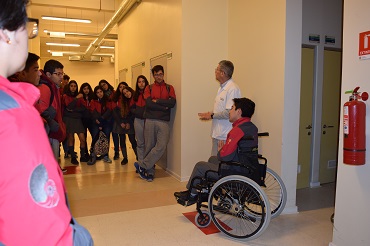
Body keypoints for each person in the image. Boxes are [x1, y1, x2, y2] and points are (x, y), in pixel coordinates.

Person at [0, 0, 93, 244]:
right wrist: (81, 239)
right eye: (26, 26)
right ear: (7, 34)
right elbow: (42, 223)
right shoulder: (13, 115)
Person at [175, 98, 258, 205]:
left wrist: (221, 150)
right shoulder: (251, 127)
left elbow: (225, 157)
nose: (229, 111)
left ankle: (191, 195)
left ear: (239, 112)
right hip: (247, 167)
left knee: (200, 166)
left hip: (235, 171)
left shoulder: (237, 131)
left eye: (232, 108)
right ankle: (217, 194)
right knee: (212, 159)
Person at [134, 65, 176, 182]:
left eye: (161, 74)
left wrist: (157, 101)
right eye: (156, 74)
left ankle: (143, 165)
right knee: (149, 146)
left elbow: (172, 103)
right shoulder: (149, 88)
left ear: (163, 74)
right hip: (150, 120)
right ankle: (149, 172)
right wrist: (164, 106)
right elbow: (148, 104)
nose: (159, 76)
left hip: (163, 122)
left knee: (161, 145)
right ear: (153, 75)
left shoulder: (169, 88)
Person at [198, 60, 241, 156]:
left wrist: (212, 115)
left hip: (224, 135)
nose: (215, 71)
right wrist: (210, 113)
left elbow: (229, 112)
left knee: (218, 165)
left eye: (217, 69)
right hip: (218, 133)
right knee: (214, 163)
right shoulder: (221, 88)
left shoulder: (232, 89)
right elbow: (220, 109)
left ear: (223, 73)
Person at [39, 59, 67, 161]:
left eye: (62, 74)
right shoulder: (45, 88)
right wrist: (55, 126)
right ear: (48, 74)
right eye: (58, 74)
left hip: (53, 131)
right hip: (49, 133)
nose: (61, 77)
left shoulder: (55, 88)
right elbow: (41, 112)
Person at [62, 80, 89, 165]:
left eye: (75, 86)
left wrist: (73, 110)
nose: (73, 88)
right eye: (71, 86)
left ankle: (82, 156)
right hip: (68, 119)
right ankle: (73, 157)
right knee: (71, 138)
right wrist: (76, 99)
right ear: (69, 87)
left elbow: (84, 108)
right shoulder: (66, 96)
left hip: (77, 119)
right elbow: (68, 106)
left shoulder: (80, 96)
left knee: (82, 138)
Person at [88, 86, 115, 165]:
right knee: (95, 138)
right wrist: (98, 121)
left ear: (103, 92)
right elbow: (93, 111)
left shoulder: (108, 100)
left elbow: (109, 111)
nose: (99, 94)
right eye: (97, 92)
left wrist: (102, 120)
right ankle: (93, 155)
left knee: (106, 139)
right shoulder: (93, 101)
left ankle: (105, 155)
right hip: (96, 123)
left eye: (101, 92)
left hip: (106, 122)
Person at [130, 75, 149, 166]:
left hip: (148, 121)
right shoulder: (135, 95)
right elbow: (131, 108)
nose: (141, 83)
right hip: (138, 121)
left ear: (146, 83)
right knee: (140, 143)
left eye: (143, 81)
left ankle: (148, 163)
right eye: (139, 82)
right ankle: (141, 164)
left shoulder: (150, 93)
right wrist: (138, 112)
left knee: (149, 143)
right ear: (137, 84)